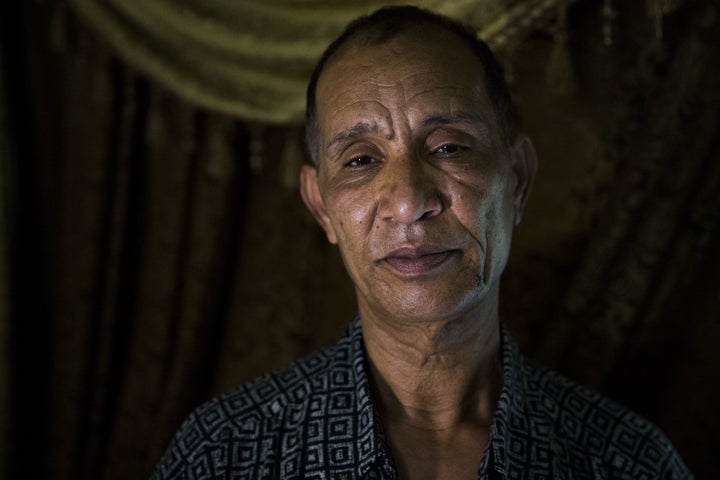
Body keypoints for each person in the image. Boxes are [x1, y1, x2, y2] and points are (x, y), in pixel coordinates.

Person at [151, 6, 693, 479]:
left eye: (450, 147)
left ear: (519, 181)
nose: (409, 202)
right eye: (361, 160)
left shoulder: (626, 462)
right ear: (322, 207)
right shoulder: (226, 453)